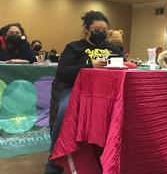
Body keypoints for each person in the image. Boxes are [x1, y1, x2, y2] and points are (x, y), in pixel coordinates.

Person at [45, 11, 123, 173]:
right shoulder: (74, 47)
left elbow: (123, 65)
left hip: (105, 92)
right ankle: (54, 162)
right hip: (74, 89)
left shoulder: (112, 48)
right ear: (87, 29)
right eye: (96, 30)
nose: (101, 33)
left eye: (104, 31)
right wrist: (89, 66)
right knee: (65, 111)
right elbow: (62, 72)